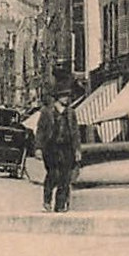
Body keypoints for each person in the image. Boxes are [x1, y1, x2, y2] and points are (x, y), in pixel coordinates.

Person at [35, 82, 80, 212]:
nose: (67, 98)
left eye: (68, 95)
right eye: (64, 95)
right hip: (51, 148)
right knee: (53, 174)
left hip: (67, 148)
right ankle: (47, 200)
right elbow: (40, 131)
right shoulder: (46, 112)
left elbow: (75, 133)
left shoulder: (71, 113)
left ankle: (59, 205)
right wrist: (38, 148)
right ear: (57, 97)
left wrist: (77, 149)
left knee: (65, 177)